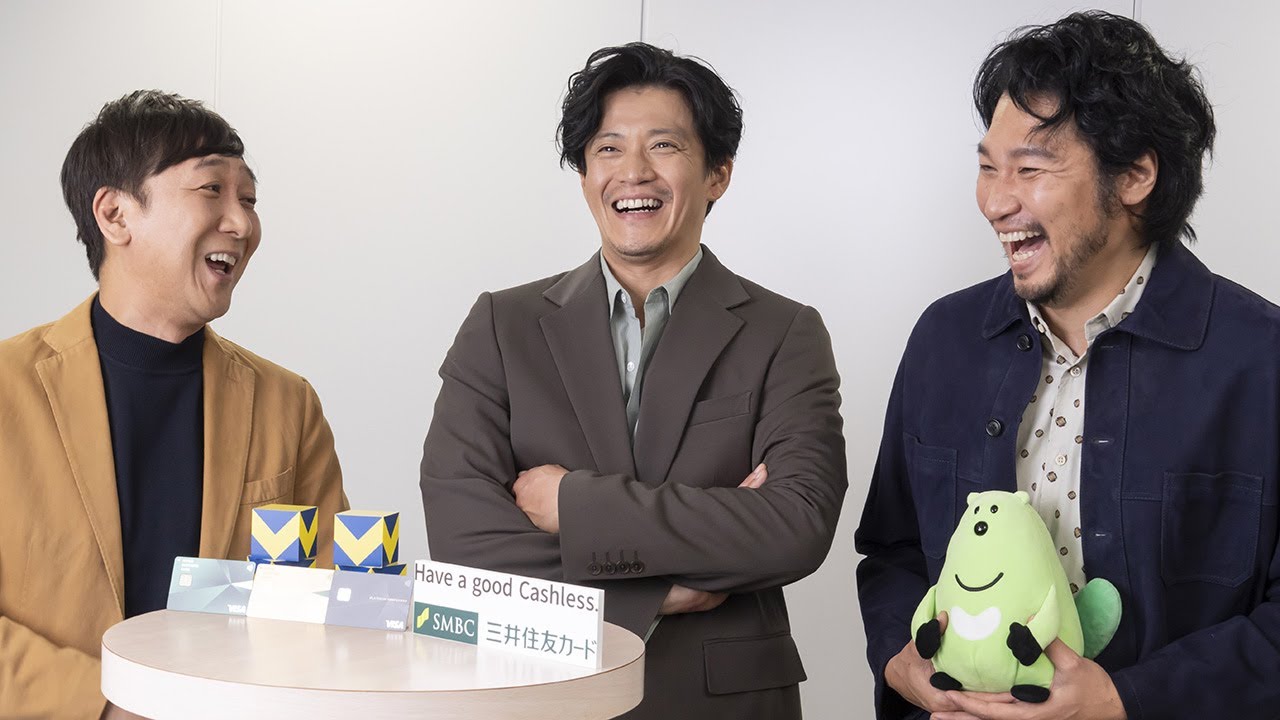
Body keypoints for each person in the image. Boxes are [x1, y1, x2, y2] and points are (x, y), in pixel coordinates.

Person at [856, 10, 1280, 720]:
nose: (995, 201)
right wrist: (904, 660)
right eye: (987, 167)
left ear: (1136, 175)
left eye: (1030, 168)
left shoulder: (1261, 359)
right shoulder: (944, 340)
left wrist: (1126, 697)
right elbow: (892, 551)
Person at [420, 42, 846, 719]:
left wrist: (573, 505)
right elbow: (465, 543)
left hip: (722, 704)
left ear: (718, 174)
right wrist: (652, 592)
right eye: (609, 149)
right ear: (585, 174)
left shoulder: (784, 332)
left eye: (664, 146)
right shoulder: (503, 325)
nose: (633, 172)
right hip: (542, 695)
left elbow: (795, 526)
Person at [0, 90, 348, 719]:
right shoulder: (7, 387)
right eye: (211, 189)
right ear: (115, 215)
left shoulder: (287, 404)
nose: (241, 224)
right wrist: (111, 708)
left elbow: (329, 602)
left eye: (249, 199)